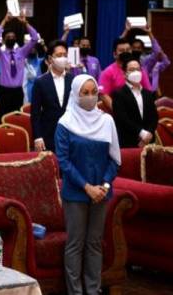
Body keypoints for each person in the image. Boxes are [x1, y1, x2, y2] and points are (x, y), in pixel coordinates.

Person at [55, 74, 120, 295]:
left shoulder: (106, 121)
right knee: (76, 243)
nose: (91, 97)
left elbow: (114, 159)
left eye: (94, 92)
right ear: (75, 94)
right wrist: (87, 187)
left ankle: (93, 290)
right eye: (85, 93)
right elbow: (64, 162)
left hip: (102, 192)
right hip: (75, 193)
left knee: (94, 243)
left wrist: (104, 186)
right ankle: (75, 292)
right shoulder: (65, 123)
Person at [0, 12, 39, 117]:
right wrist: (4, 21)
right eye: (8, 37)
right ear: (4, 40)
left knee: (16, 117)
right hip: (4, 91)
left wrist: (25, 23)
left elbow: (35, 38)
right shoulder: (0, 54)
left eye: (13, 37)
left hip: (18, 91)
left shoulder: (22, 52)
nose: (11, 38)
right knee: (3, 117)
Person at [31, 40, 73, 152]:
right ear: (50, 59)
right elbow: (35, 113)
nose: (63, 58)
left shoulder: (72, 80)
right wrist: (37, 137)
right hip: (48, 134)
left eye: (65, 55)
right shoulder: (41, 82)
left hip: (70, 133)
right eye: (59, 55)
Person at [111, 58, 158, 148]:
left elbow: (154, 117)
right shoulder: (119, 94)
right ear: (125, 74)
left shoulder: (147, 93)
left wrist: (148, 134)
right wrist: (141, 133)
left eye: (138, 69)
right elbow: (122, 118)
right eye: (132, 70)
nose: (136, 72)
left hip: (149, 142)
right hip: (128, 142)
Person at [98, 38, 151, 111]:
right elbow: (104, 96)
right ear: (115, 54)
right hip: (116, 114)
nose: (125, 52)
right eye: (122, 51)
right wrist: (119, 112)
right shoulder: (107, 72)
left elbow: (148, 92)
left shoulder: (140, 70)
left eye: (128, 50)